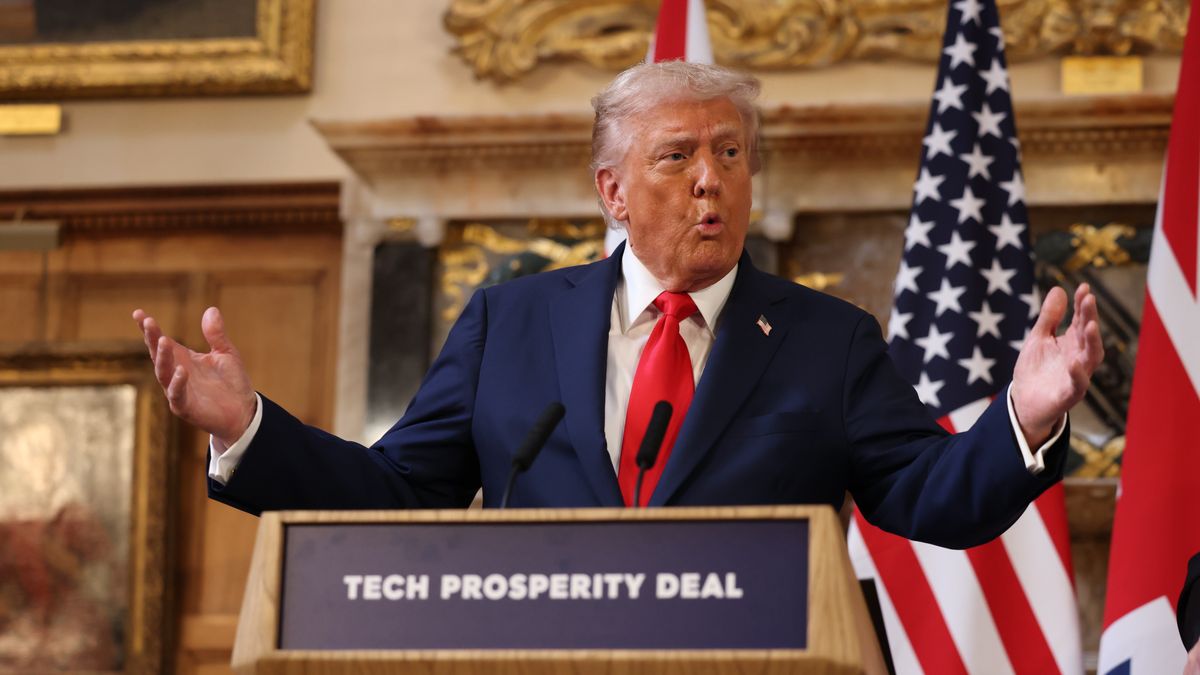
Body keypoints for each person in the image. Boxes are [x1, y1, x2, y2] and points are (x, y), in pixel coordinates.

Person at [132, 62, 1104, 548]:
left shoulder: (825, 340)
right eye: (676, 158)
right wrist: (248, 431)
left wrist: (1024, 417)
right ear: (612, 191)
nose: (710, 182)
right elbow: (398, 493)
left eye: (730, 155)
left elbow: (931, 497)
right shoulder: (509, 325)